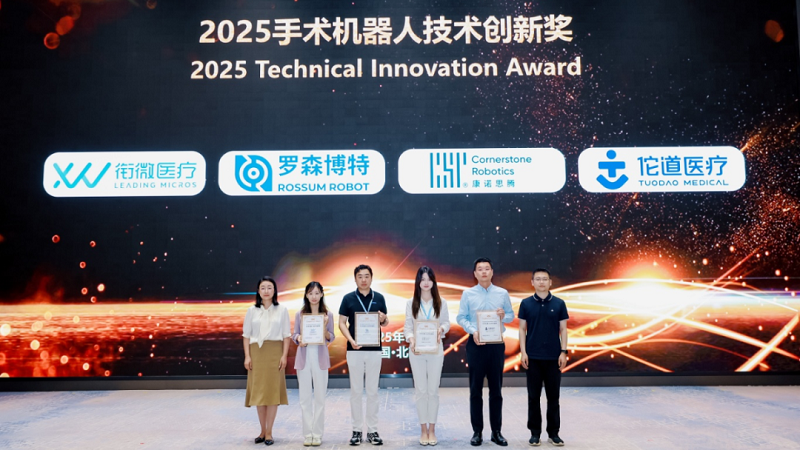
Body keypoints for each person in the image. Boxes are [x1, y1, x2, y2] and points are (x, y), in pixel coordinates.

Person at [456, 258, 514, 447]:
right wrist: (473, 331)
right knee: (475, 390)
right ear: (475, 273)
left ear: (492, 272)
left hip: (496, 345)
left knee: (496, 390)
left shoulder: (502, 293)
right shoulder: (468, 294)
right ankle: (477, 432)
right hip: (476, 344)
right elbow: (461, 317)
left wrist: (504, 316)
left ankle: (496, 432)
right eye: (479, 269)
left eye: (486, 268)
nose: (483, 272)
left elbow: (511, 315)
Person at [338, 264, 390, 446]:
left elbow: (385, 321)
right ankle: (357, 430)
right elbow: (341, 322)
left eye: (367, 276)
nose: (363, 279)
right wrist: (351, 339)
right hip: (355, 349)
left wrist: (384, 319)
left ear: (371, 278)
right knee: (356, 391)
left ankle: (373, 430)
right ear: (355, 279)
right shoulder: (348, 298)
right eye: (360, 276)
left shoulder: (379, 298)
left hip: (374, 350)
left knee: (373, 391)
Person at [518, 268, 569, 447]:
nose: (541, 282)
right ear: (532, 282)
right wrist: (523, 352)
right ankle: (535, 433)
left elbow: (564, 329)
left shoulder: (559, 303)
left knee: (553, 397)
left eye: (545, 279)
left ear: (550, 282)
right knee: (533, 397)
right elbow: (522, 329)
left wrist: (564, 352)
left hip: (554, 357)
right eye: (538, 279)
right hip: (532, 357)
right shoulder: (526, 304)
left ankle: (554, 433)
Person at [404, 266, 451, 446]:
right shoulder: (411, 303)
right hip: (416, 351)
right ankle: (423, 430)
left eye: (428, 279)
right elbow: (408, 327)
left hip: (435, 351)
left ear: (433, 282)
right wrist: (411, 340)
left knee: (433, 391)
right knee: (421, 391)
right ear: (418, 282)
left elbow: (446, 323)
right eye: (422, 279)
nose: (425, 282)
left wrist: (441, 329)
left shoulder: (441, 302)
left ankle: (432, 429)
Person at [242, 276, 291, 446]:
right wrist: (247, 356)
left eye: (270, 287)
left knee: (272, 393)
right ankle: (262, 430)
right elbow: (246, 336)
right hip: (256, 353)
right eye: (263, 288)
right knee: (259, 393)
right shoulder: (251, 311)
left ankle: (269, 432)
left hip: (274, 353)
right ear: (258, 291)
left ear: (274, 290)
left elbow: (286, 336)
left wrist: (284, 356)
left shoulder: (282, 310)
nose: (266, 291)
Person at [292, 281, 336, 447]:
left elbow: (331, 336)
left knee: (320, 398)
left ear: (322, 294)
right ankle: (307, 434)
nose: (314, 296)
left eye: (317, 293)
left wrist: (324, 326)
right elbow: (294, 334)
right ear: (306, 295)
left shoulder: (328, 315)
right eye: (311, 293)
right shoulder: (300, 314)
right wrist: (299, 338)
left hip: (320, 358)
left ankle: (317, 434)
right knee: (304, 398)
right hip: (304, 358)